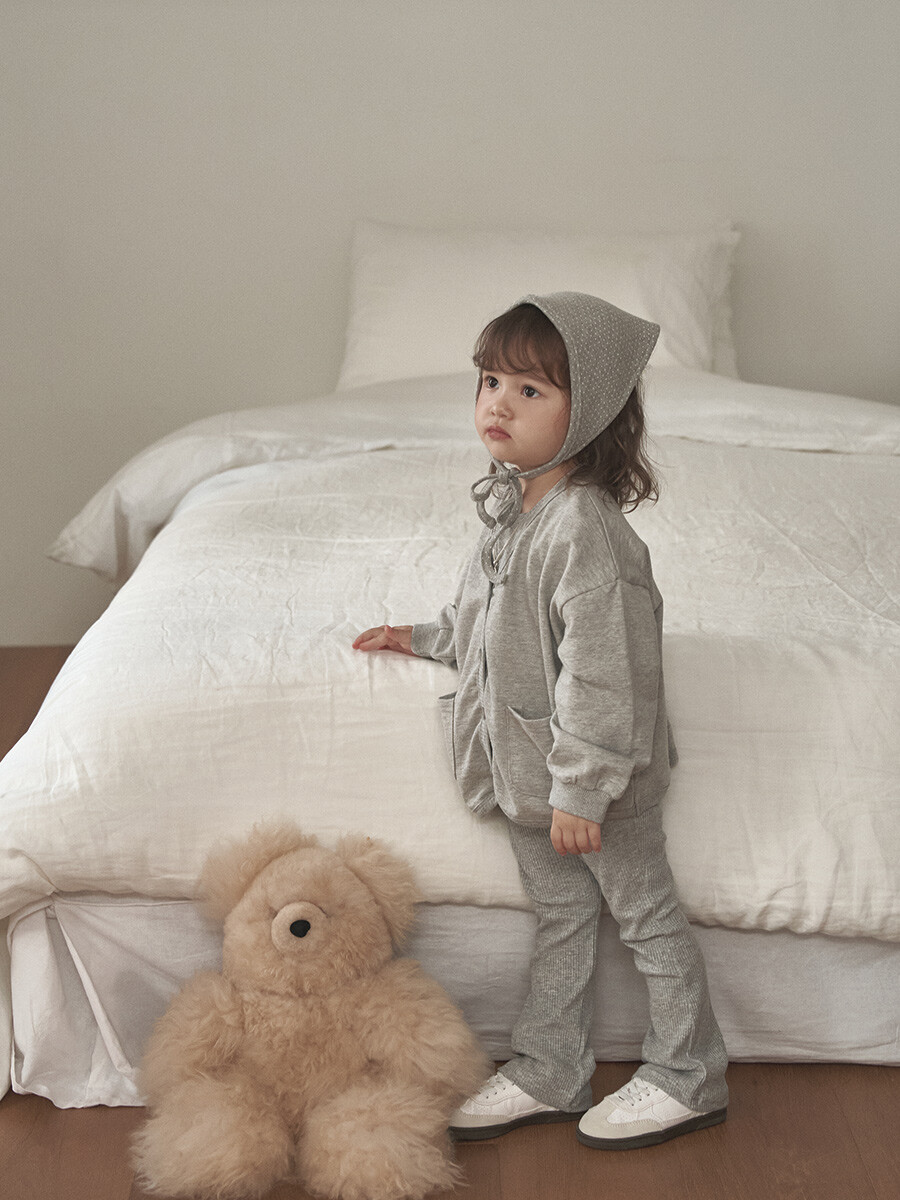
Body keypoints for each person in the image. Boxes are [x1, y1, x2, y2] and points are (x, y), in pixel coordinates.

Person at [353, 292, 728, 1150]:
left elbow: (606, 673)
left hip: (595, 788)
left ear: (586, 413)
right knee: (561, 922)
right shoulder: (511, 509)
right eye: (490, 381)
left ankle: (689, 1074)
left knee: (648, 922)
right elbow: (497, 626)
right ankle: (551, 1068)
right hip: (526, 774)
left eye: (530, 390)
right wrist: (424, 637)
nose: (498, 403)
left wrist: (584, 790)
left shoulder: (585, 532)